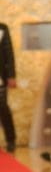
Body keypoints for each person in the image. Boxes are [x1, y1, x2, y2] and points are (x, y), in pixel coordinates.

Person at [0, 19, 17, 153]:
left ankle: (11, 139)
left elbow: (9, 53)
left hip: (0, 76)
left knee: (3, 108)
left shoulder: (2, 28)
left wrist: (11, 75)